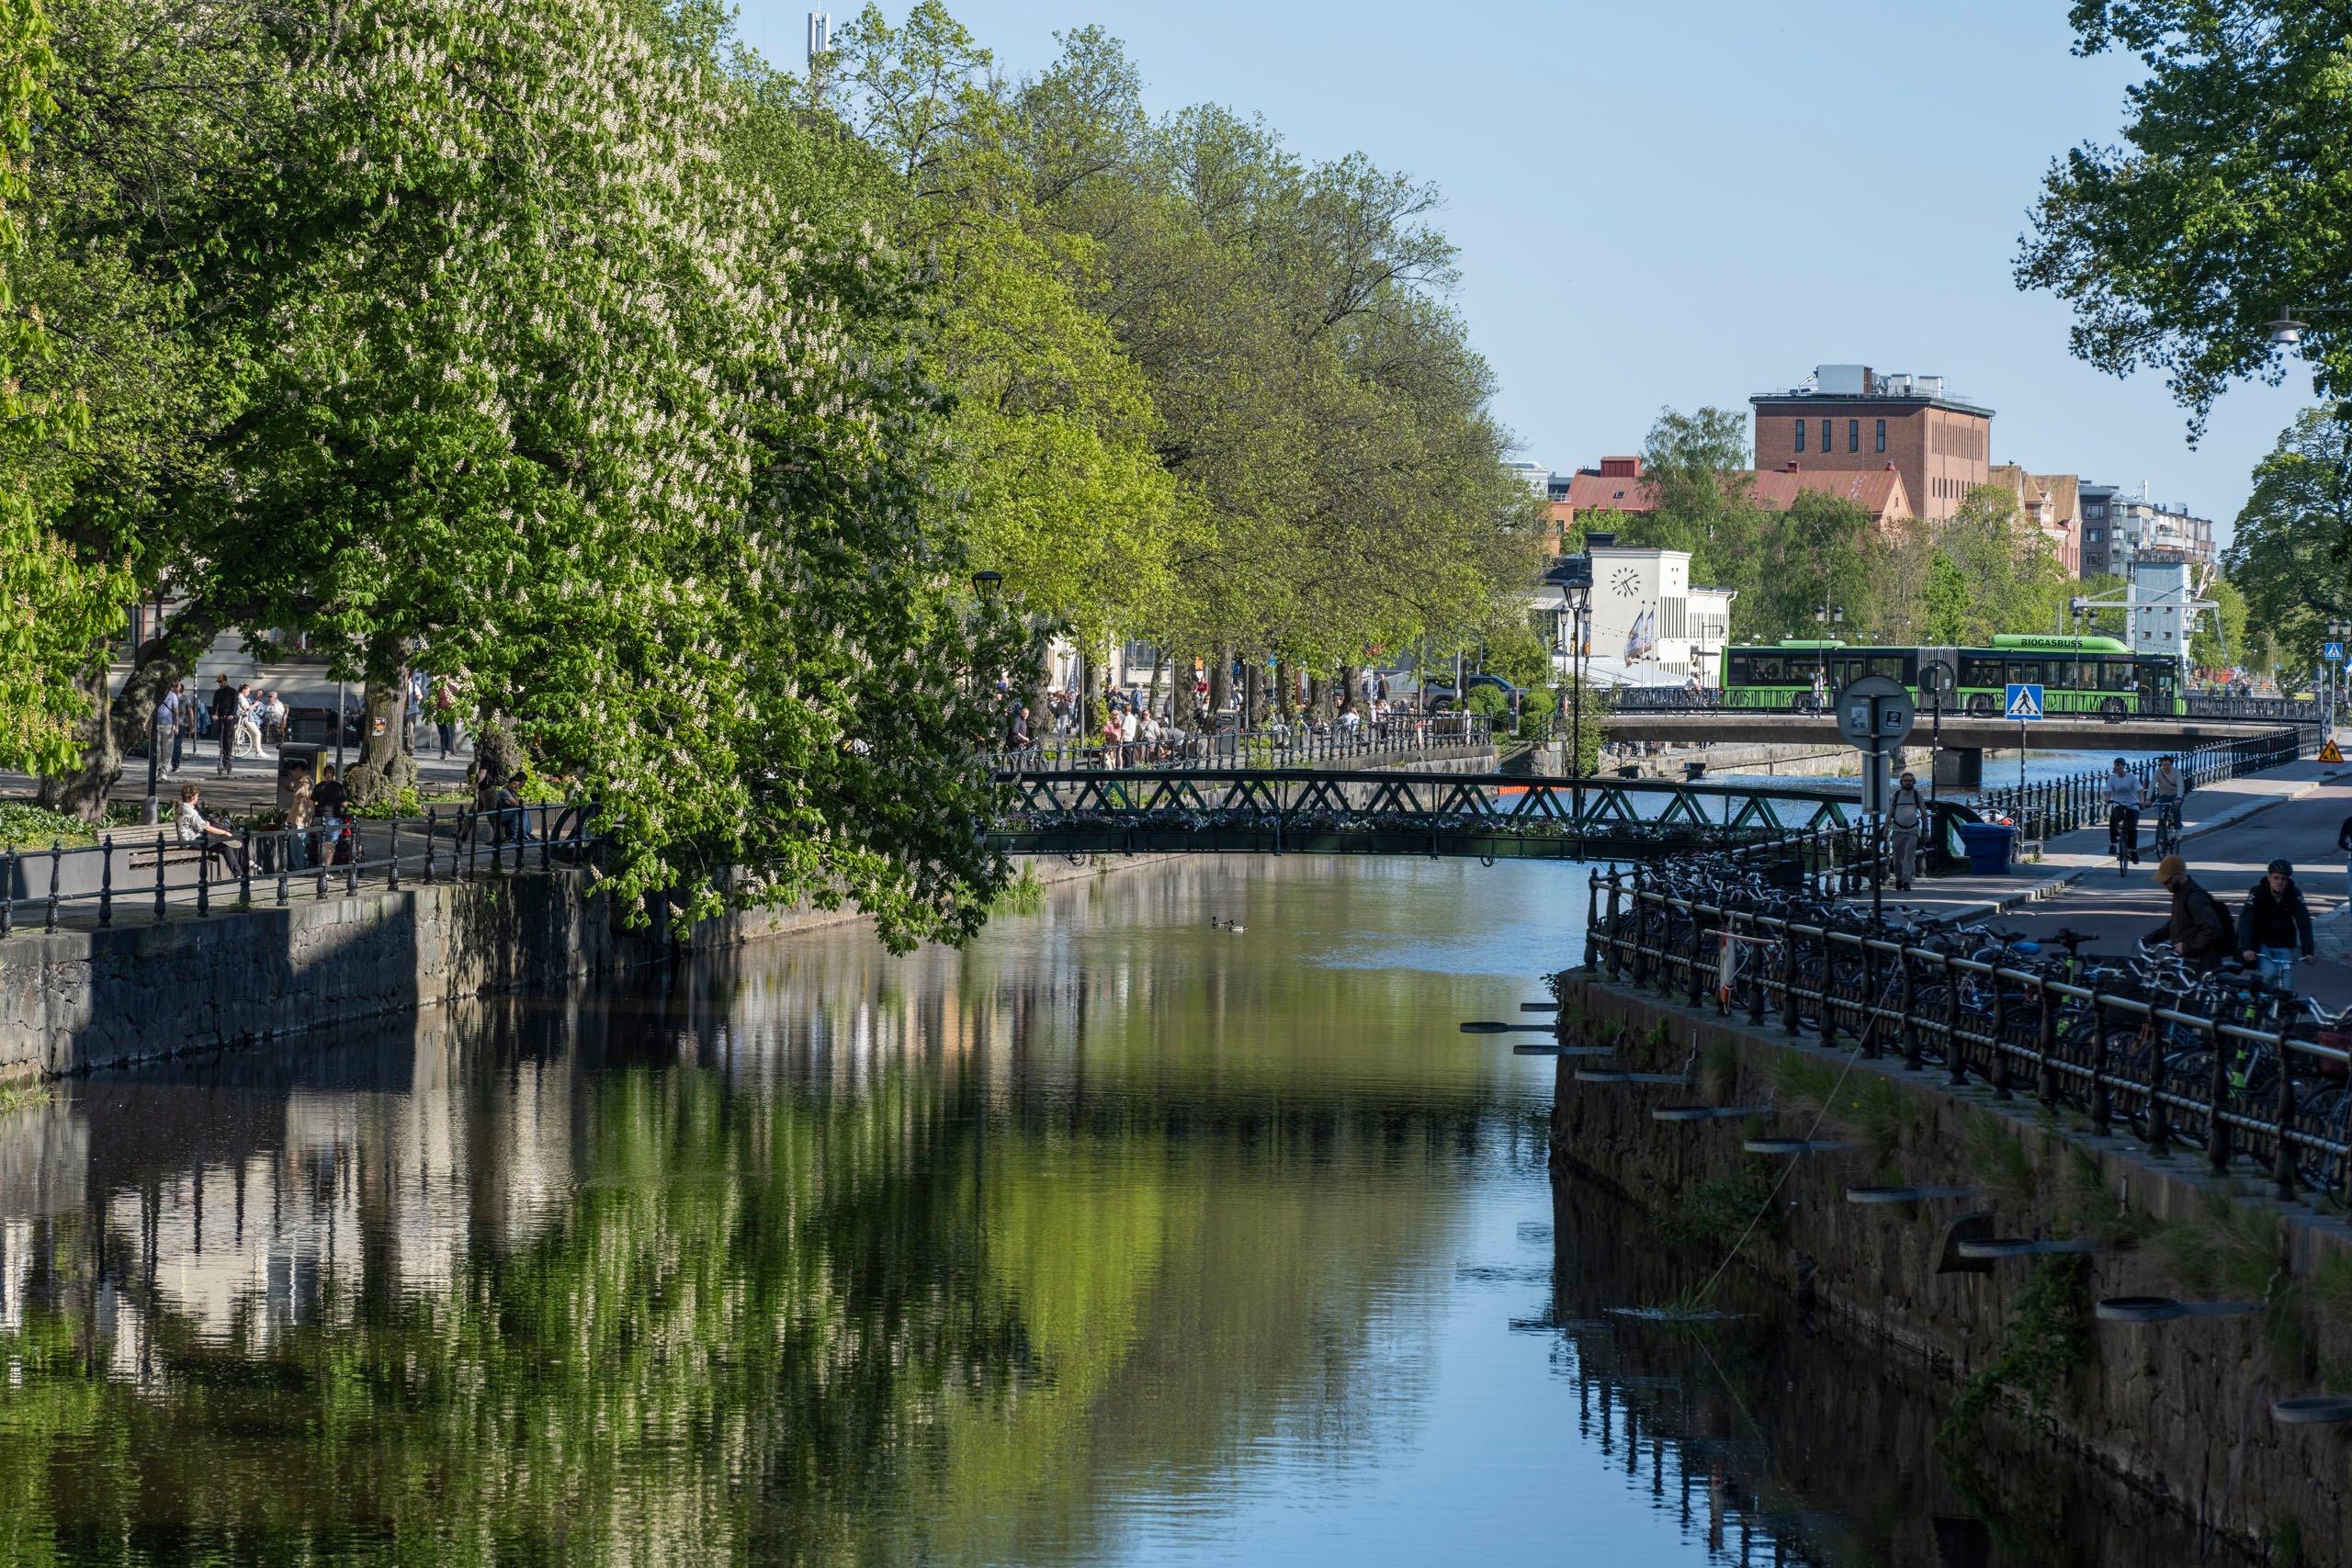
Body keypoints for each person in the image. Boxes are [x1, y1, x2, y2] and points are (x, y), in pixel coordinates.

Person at [2147, 855, 2234, 973]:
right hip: (2188, 961)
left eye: (2167, 880)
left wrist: (2187, 947)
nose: (2165, 884)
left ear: (2179, 875)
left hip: (2201, 964)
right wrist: (2148, 939)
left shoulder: (2194, 898)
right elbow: (2176, 924)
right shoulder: (2180, 893)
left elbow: (2213, 929)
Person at [2238, 859, 2315, 988]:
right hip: (2261, 943)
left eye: (2284, 879)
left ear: (2288, 880)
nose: (2279, 882)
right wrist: (2247, 948)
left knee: (2286, 984)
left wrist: (2308, 951)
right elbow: (2246, 920)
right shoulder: (2257, 892)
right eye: (2276, 878)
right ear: (2269, 877)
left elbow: (2304, 923)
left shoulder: (2294, 894)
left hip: (2283, 942)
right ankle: (2256, 1002)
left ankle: (2279, 1008)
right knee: (2270, 972)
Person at [175, 783, 246, 881]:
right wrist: (224, 832)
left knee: (229, 843)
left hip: (198, 839)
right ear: (192, 797)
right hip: (192, 842)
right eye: (197, 796)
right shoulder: (188, 811)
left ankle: (241, 872)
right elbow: (205, 827)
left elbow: (197, 824)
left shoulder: (185, 808)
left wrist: (206, 824)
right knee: (226, 841)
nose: (197, 798)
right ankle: (241, 872)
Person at [2103, 758, 2143, 873]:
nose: (2117, 767)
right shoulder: (2112, 778)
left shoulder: (2131, 778)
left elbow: (2140, 791)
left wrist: (2141, 801)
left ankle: (2133, 851)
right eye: (2116, 765)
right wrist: (2107, 799)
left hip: (2132, 806)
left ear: (2124, 766)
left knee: (2132, 829)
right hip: (2118, 805)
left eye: (2120, 765)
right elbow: (2109, 792)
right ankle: (2113, 844)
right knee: (2113, 821)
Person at [1887, 771, 1926, 892]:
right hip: (1898, 830)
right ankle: (1899, 878)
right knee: (1897, 858)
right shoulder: (1897, 795)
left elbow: (1924, 813)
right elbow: (1890, 813)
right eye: (1905, 781)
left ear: (1913, 782)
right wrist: (1886, 828)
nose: (1908, 783)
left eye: (1910, 781)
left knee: (1909, 857)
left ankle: (1906, 881)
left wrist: (1926, 830)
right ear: (1901, 782)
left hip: (1912, 830)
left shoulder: (1916, 795)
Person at [209, 675, 241, 775]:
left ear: (226, 681)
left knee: (227, 739)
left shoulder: (233, 691)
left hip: (229, 718)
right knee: (221, 738)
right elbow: (215, 704)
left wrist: (231, 714)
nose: (220, 683)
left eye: (221, 682)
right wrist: (214, 714)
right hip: (220, 717)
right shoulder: (218, 692)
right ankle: (222, 754)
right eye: (218, 682)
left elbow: (235, 704)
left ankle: (227, 760)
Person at [2149, 755, 2184, 842]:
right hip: (2163, 795)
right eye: (2164, 765)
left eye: (2168, 765)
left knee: (2175, 809)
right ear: (2161, 765)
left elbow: (2180, 785)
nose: (2166, 767)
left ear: (2171, 765)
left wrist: (2179, 798)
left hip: (2175, 795)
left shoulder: (2177, 772)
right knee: (2161, 816)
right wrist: (2148, 798)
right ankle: (2162, 837)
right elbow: (2151, 786)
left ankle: (2178, 829)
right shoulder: (2158, 772)